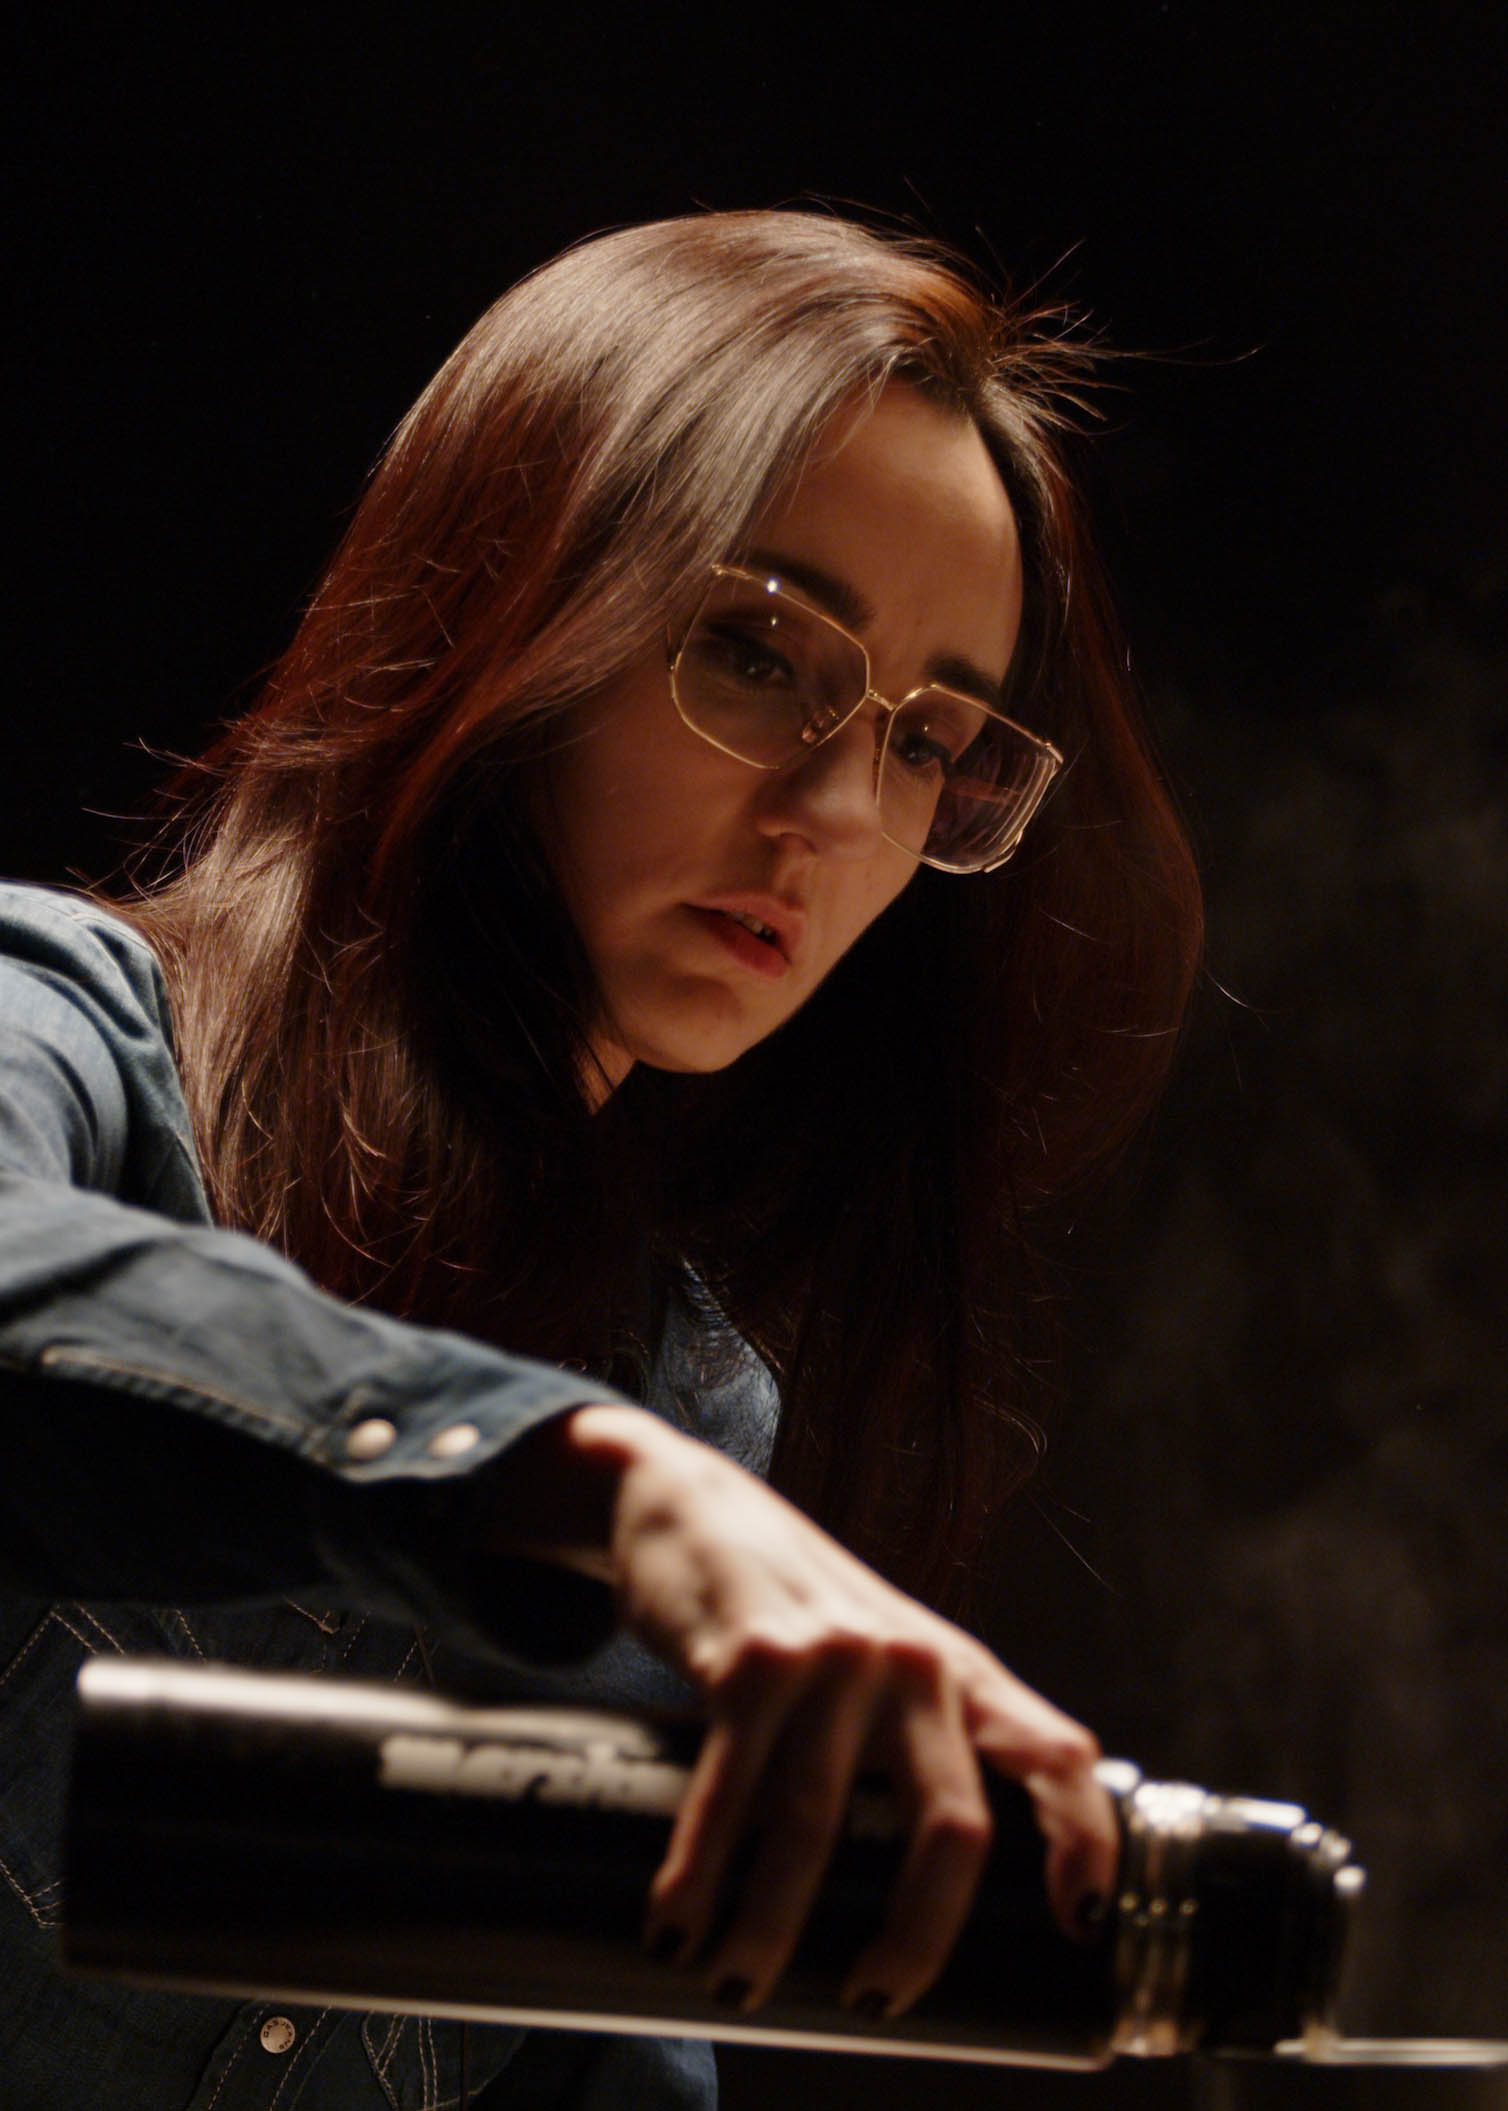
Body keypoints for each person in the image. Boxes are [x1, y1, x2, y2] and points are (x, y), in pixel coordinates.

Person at [0, 210, 1202, 2108]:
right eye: (757, 649)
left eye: (928, 741)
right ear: (514, 591)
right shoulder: (62, 1029)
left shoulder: (691, 1390)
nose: (835, 811)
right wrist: (608, 1500)